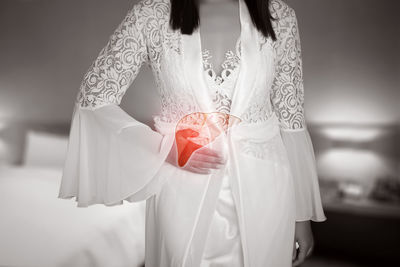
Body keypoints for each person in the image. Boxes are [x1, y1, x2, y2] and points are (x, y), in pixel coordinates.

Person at [59, 0, 327, 266]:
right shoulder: (152, 13)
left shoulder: (279, 15)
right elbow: (93, 98)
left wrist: (300, 214)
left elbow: (291, 117)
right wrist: (163, 149)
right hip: (183, 188)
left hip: (268, 188)